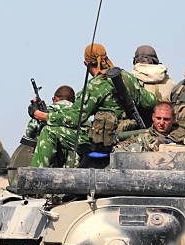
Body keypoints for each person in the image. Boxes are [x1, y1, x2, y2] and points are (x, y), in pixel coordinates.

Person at [29, 43, 157, 167]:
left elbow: (74, 119)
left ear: (86, 63)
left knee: (49, 132)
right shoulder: (127, 76)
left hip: (106, 141)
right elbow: (151, 101)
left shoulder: (96, 85)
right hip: (131, 134)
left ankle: (35, 178)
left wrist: (40, 115)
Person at [114, 102, 179, 152]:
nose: (161, 123)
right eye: (158, 118)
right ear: (153, 117)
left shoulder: (183, 135)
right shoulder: (143, 138)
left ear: (173, 119)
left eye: (166, 119)